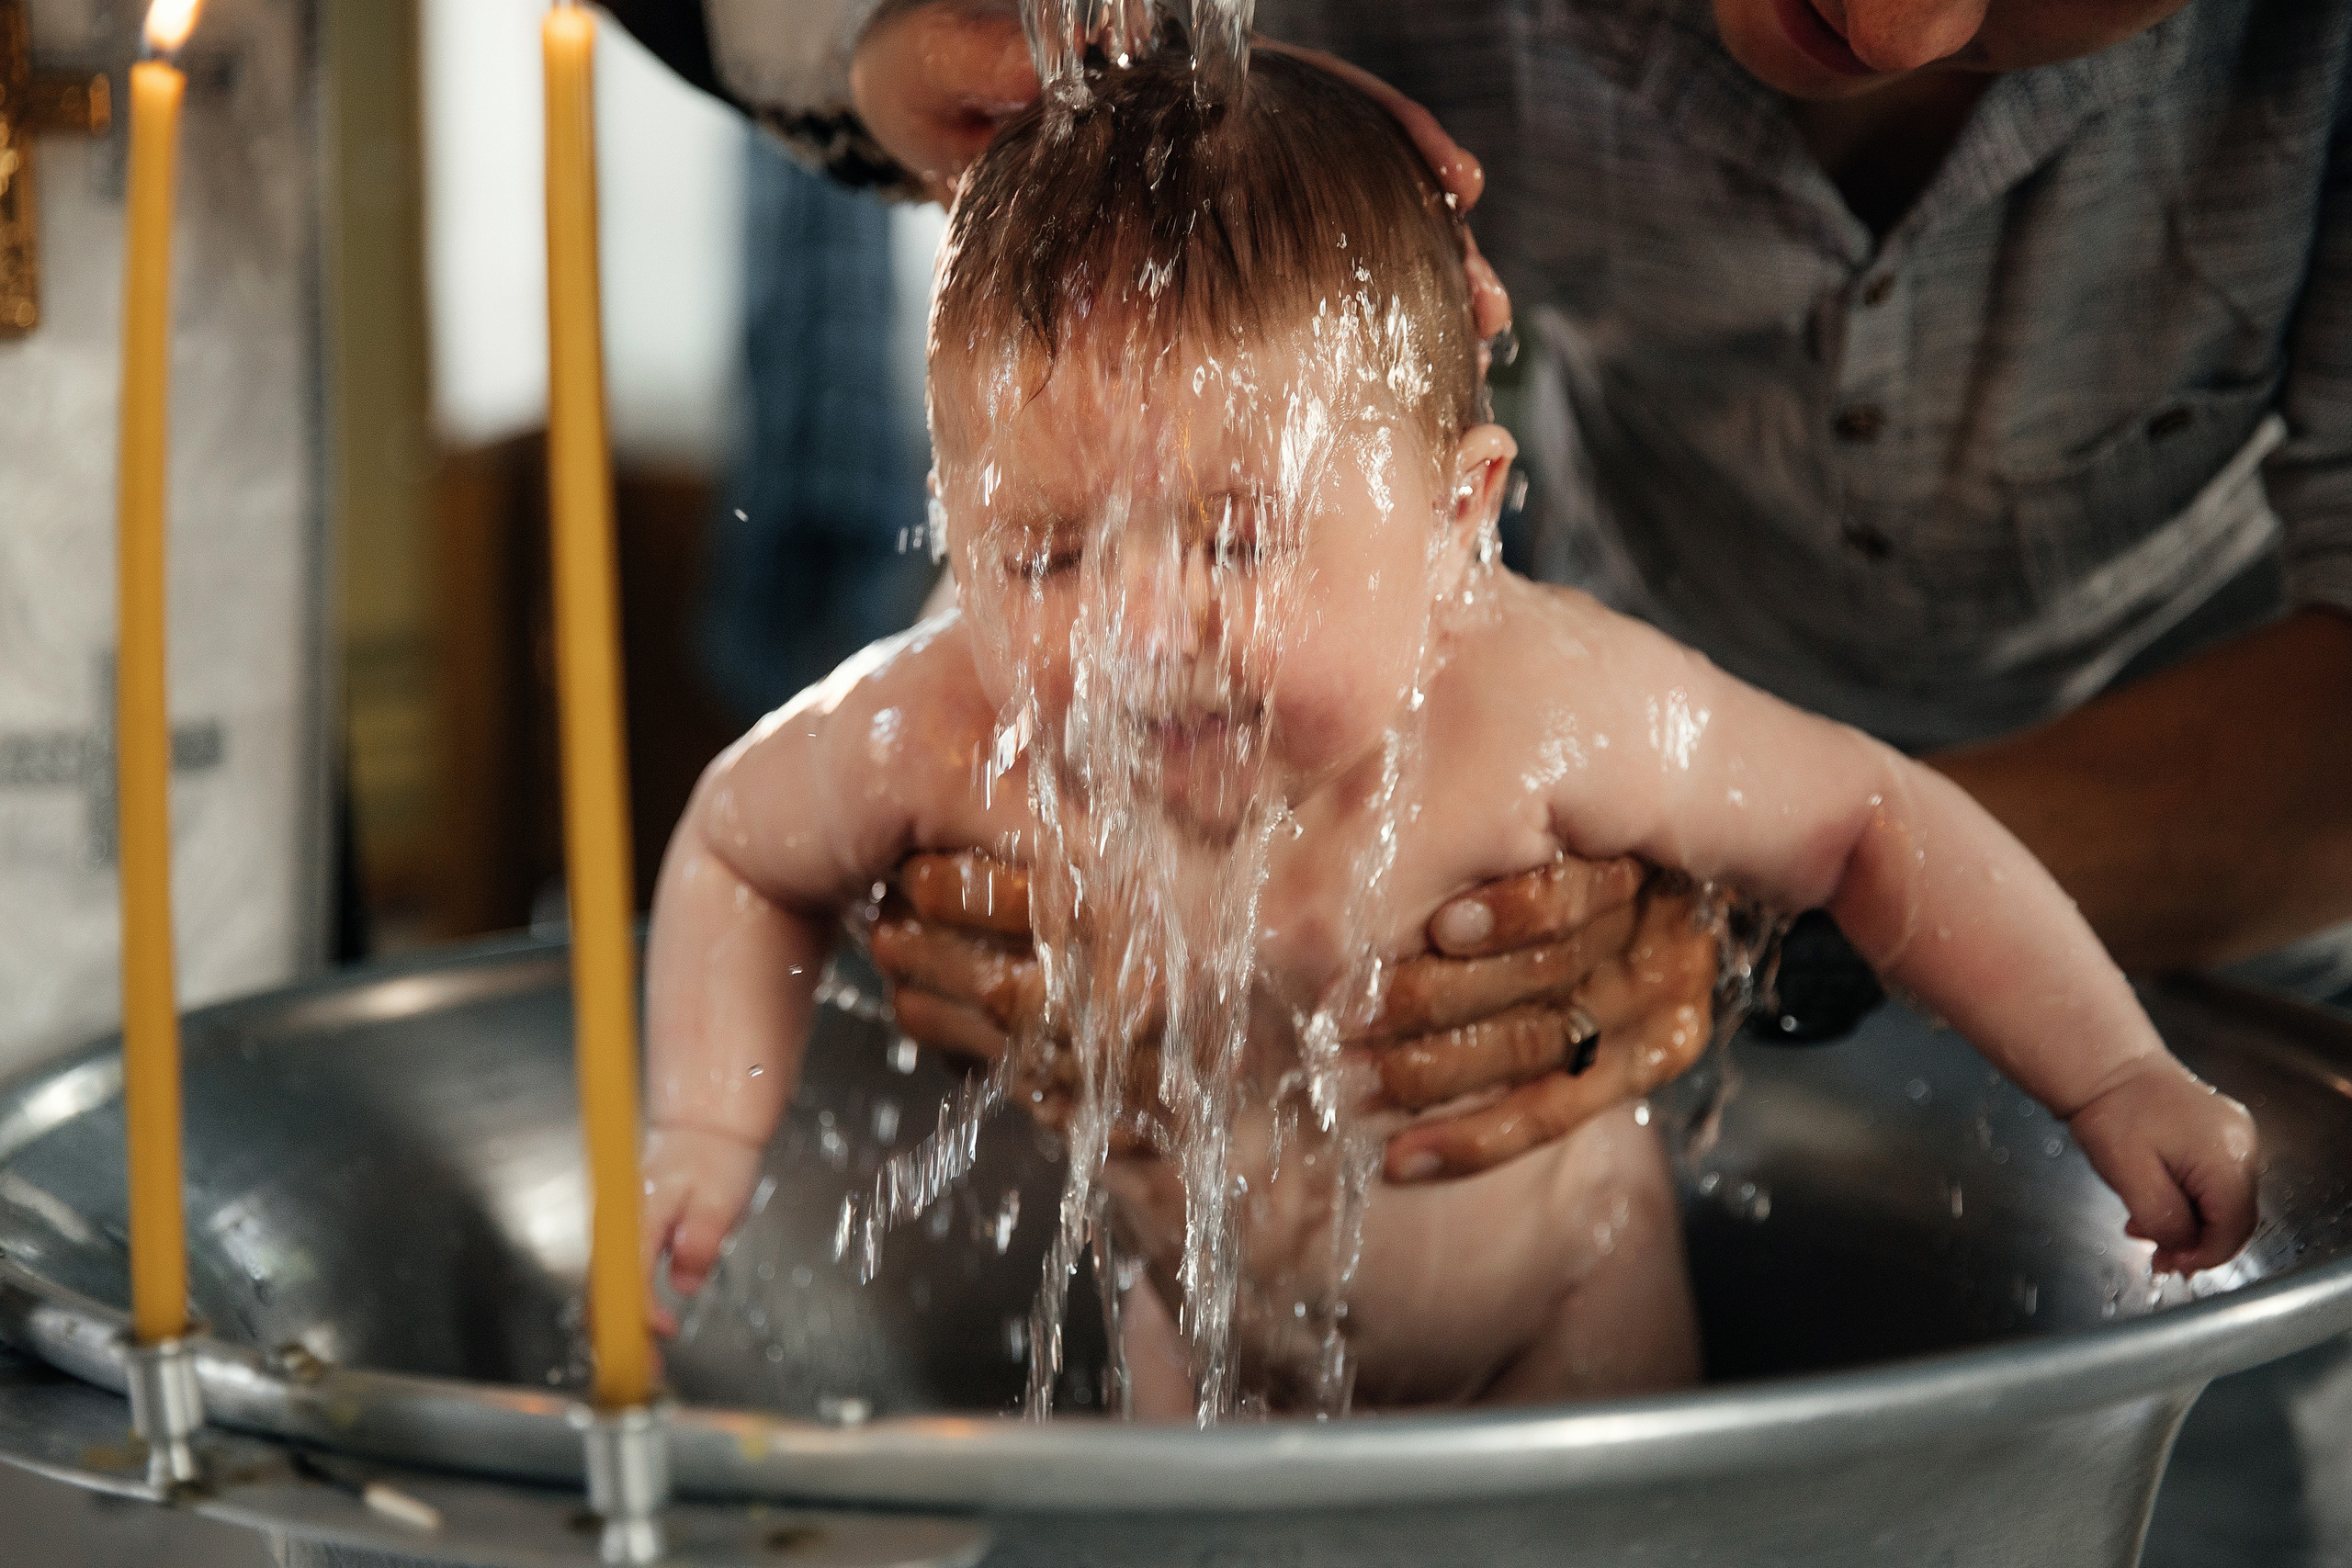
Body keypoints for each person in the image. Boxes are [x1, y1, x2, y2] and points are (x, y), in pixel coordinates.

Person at [637, 49, 2258, 1415]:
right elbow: (734, 840)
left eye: (1236, 538)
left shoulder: (1545, 702)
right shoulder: (951, 717)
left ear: (1451, 517)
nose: (1137, 630)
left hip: (1563, 1325)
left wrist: (2115, 1075)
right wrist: (703, 1133)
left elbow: (1872, 823)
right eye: (1045, 551)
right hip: (1197, 1344)